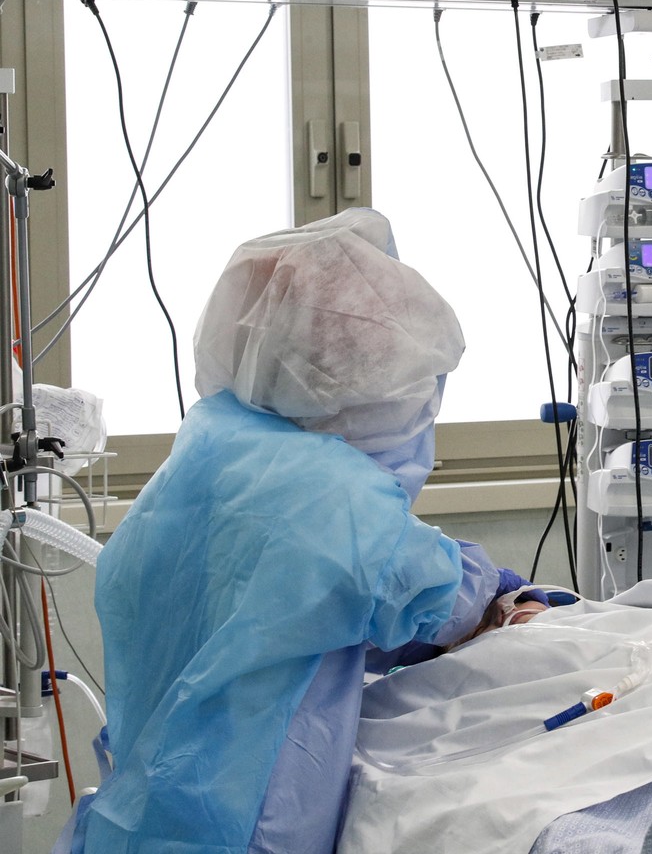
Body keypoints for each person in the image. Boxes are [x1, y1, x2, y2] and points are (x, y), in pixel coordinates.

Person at [61, 209, 545, 854]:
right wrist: (502, 592)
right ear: (366, 376)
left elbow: (278, 617)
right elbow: (436, 600)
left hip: (146, 807)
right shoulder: (334, 494)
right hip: (243, 818)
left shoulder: (205, 450)